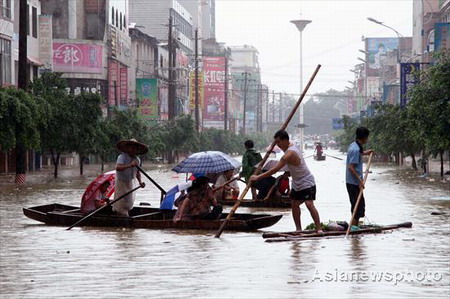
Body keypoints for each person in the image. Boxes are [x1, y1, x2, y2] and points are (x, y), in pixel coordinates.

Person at [250, 130, 323, 233]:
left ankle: (319, 228)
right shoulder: (289, 146)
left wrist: (258, 177)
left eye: (279, 142)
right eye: (276, 143)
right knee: (294, 204)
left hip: (306, 181)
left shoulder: (289, 154)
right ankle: (298, 229)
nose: (278, 145)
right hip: (296, 183)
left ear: (285, 140)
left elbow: (274, 170)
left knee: (309, 204)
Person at [346, 127, 375, 226]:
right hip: (353, 182)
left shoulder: (354, 145)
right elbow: (351, 167)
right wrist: (360, 181)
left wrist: (367, 152)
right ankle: (353, 228)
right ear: (364, 137)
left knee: (359, 206)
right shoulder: (355, 149)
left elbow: (360, 154)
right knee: (357, 207)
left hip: (353, 181)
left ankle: (355, 227)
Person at [113, 139, 147, 216]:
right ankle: (122, 216)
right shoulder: (122, 157)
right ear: (127, 148)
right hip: (121, 182)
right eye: (131, 148)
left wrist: (140, 182)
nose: (132, 150)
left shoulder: (137, 160)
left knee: (129, 202)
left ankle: (124, 215)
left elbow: (138, 172)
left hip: (130, 182)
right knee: (120, 203)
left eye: (134, 148)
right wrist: (129, 165)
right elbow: (118, 167)